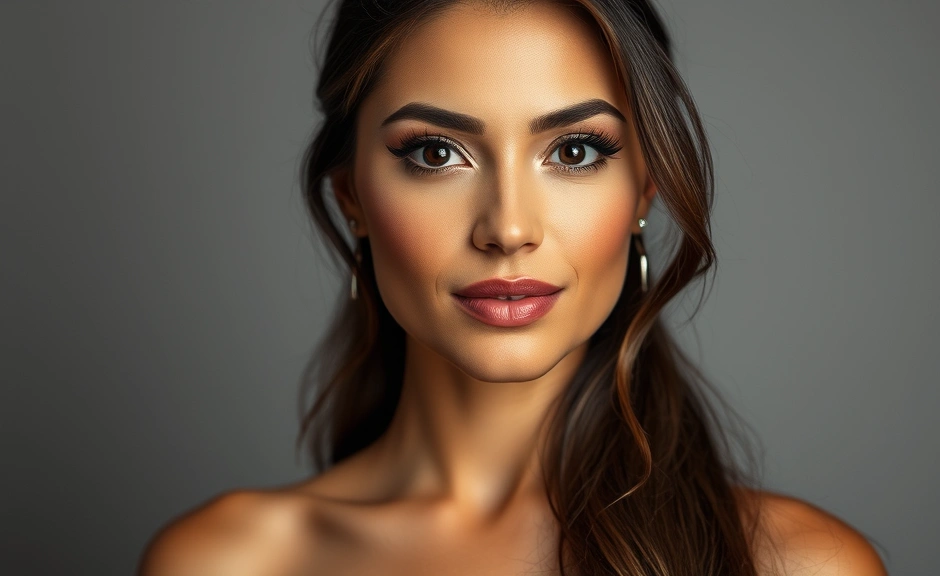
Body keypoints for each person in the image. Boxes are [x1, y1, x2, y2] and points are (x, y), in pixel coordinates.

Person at [138, 0, 888, 574]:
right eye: (436, 153)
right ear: (353, 199)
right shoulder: (229, 562)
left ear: (645, 194)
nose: (508, 228)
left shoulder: (795, 565)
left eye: (573, 150)